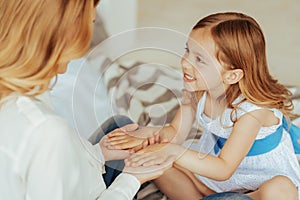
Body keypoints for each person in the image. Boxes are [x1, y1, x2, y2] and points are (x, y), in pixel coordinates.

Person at [104, 12, 300, 199]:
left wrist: (174, 152)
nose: (185, 63)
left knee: (280, 190)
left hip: (250, 179)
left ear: (231, 75)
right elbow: (175, 132)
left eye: (199, 60)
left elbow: (224, 168)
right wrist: (148, 136)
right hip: (210, 175)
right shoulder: (198, 90)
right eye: (187, 50)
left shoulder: (252, 113)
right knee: (152, 157)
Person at [0, 0, 174, 199]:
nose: (88, 35)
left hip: (75, 169)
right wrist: (131, 180)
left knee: (121, 126)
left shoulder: (25, 94)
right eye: (90, 22)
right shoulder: (47, 132)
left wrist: (98, 153)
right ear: (65, 32)